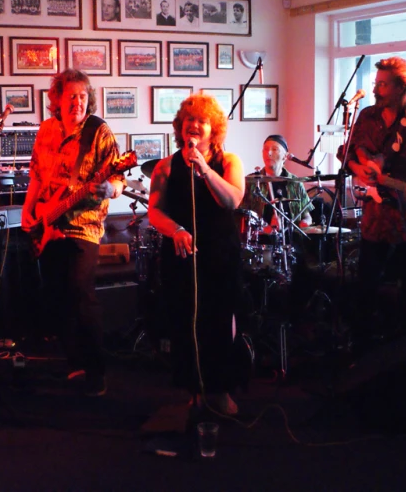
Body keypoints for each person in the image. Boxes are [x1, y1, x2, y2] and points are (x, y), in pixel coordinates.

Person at [21, 69, 125, 397]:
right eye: (71, 97)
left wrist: (110, 188)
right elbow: (36, 175)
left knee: (82, 294)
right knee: (57, 296)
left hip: (85, 225)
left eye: (82, 96)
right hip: (47, 222)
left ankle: (97, 370)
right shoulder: (47, 130)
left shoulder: (99, 132)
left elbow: (119, 179)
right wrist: (28, 209)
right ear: (58, 99)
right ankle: (74, 362)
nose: (77, 103)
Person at [148, 94, 245, 415]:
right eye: (189, 120)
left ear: (213, 128)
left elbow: (231, 200)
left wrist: (204, 168)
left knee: (217, 321)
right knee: (184, 320)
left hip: (218, 252)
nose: (194, 125)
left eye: (202, 121)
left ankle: (220, 390)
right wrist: (175, 229)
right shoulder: (165, 166)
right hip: (180, 252)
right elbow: (154, 212)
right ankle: (194, 389)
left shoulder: (229, 161)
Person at [342, 56, 406, 340]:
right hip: (376, 217)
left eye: (383, 85)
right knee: (366, 289)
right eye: (376, 83)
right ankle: (364, 355)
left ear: (402, 87)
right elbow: (347, 154)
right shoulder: (367, 116)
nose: (376, 89)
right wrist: (360, 170)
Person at [243, 135, 313, 234]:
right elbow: (242, 214)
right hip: (260, 240)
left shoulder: (296, 183)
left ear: (285, 156)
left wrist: (305, 222)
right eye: (265, 149)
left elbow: (307, 215)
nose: (269, 153)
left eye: (275, 149)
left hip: (291, 240)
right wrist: (263, 226)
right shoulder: (251, 182)